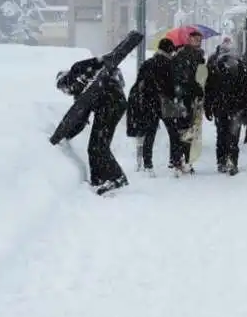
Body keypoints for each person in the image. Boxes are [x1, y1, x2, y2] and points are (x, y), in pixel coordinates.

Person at [55, 55, 128, 193]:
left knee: (99, 146)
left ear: (65, 80)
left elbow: (101, 61)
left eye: (64, 88)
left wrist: (106, 71)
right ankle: (98, 181)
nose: (67, 92)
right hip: (108, 106)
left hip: (112, 102)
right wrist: (66, 137)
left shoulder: (77, 69)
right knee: (94, 147)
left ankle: (117, 177)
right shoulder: (81, 95)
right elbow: (80, 120)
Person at [127, 38, 186, 175]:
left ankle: (148, 164)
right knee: (173, 132)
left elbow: (140, 83)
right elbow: (172, 86)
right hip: (166, 103)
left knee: (150, 133)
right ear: (169, 50)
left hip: (149, 102)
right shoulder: (170, 64)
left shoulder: (148, 63)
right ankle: (175, 160)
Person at [204, 47, 247, 175]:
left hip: (220, 108)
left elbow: (209, 90)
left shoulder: (214, 68)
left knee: (221, 135)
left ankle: (221, 161)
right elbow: (246, 91)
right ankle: (232, 161)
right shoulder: (241, 68)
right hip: (236, 108)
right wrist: (245, 109)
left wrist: (208, 108)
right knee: (234, 136)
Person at [169, 28, 207, 172]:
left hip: (184, 97)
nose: (198, 42)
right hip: (186, 98)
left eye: (199, 40)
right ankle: (183, 160)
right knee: (186, 130)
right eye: (195, 39)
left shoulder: (187, 55)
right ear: (189, 40)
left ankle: (180, 159)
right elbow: (192, 78)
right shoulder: (189, 56)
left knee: (184, 129)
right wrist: (197, 90)